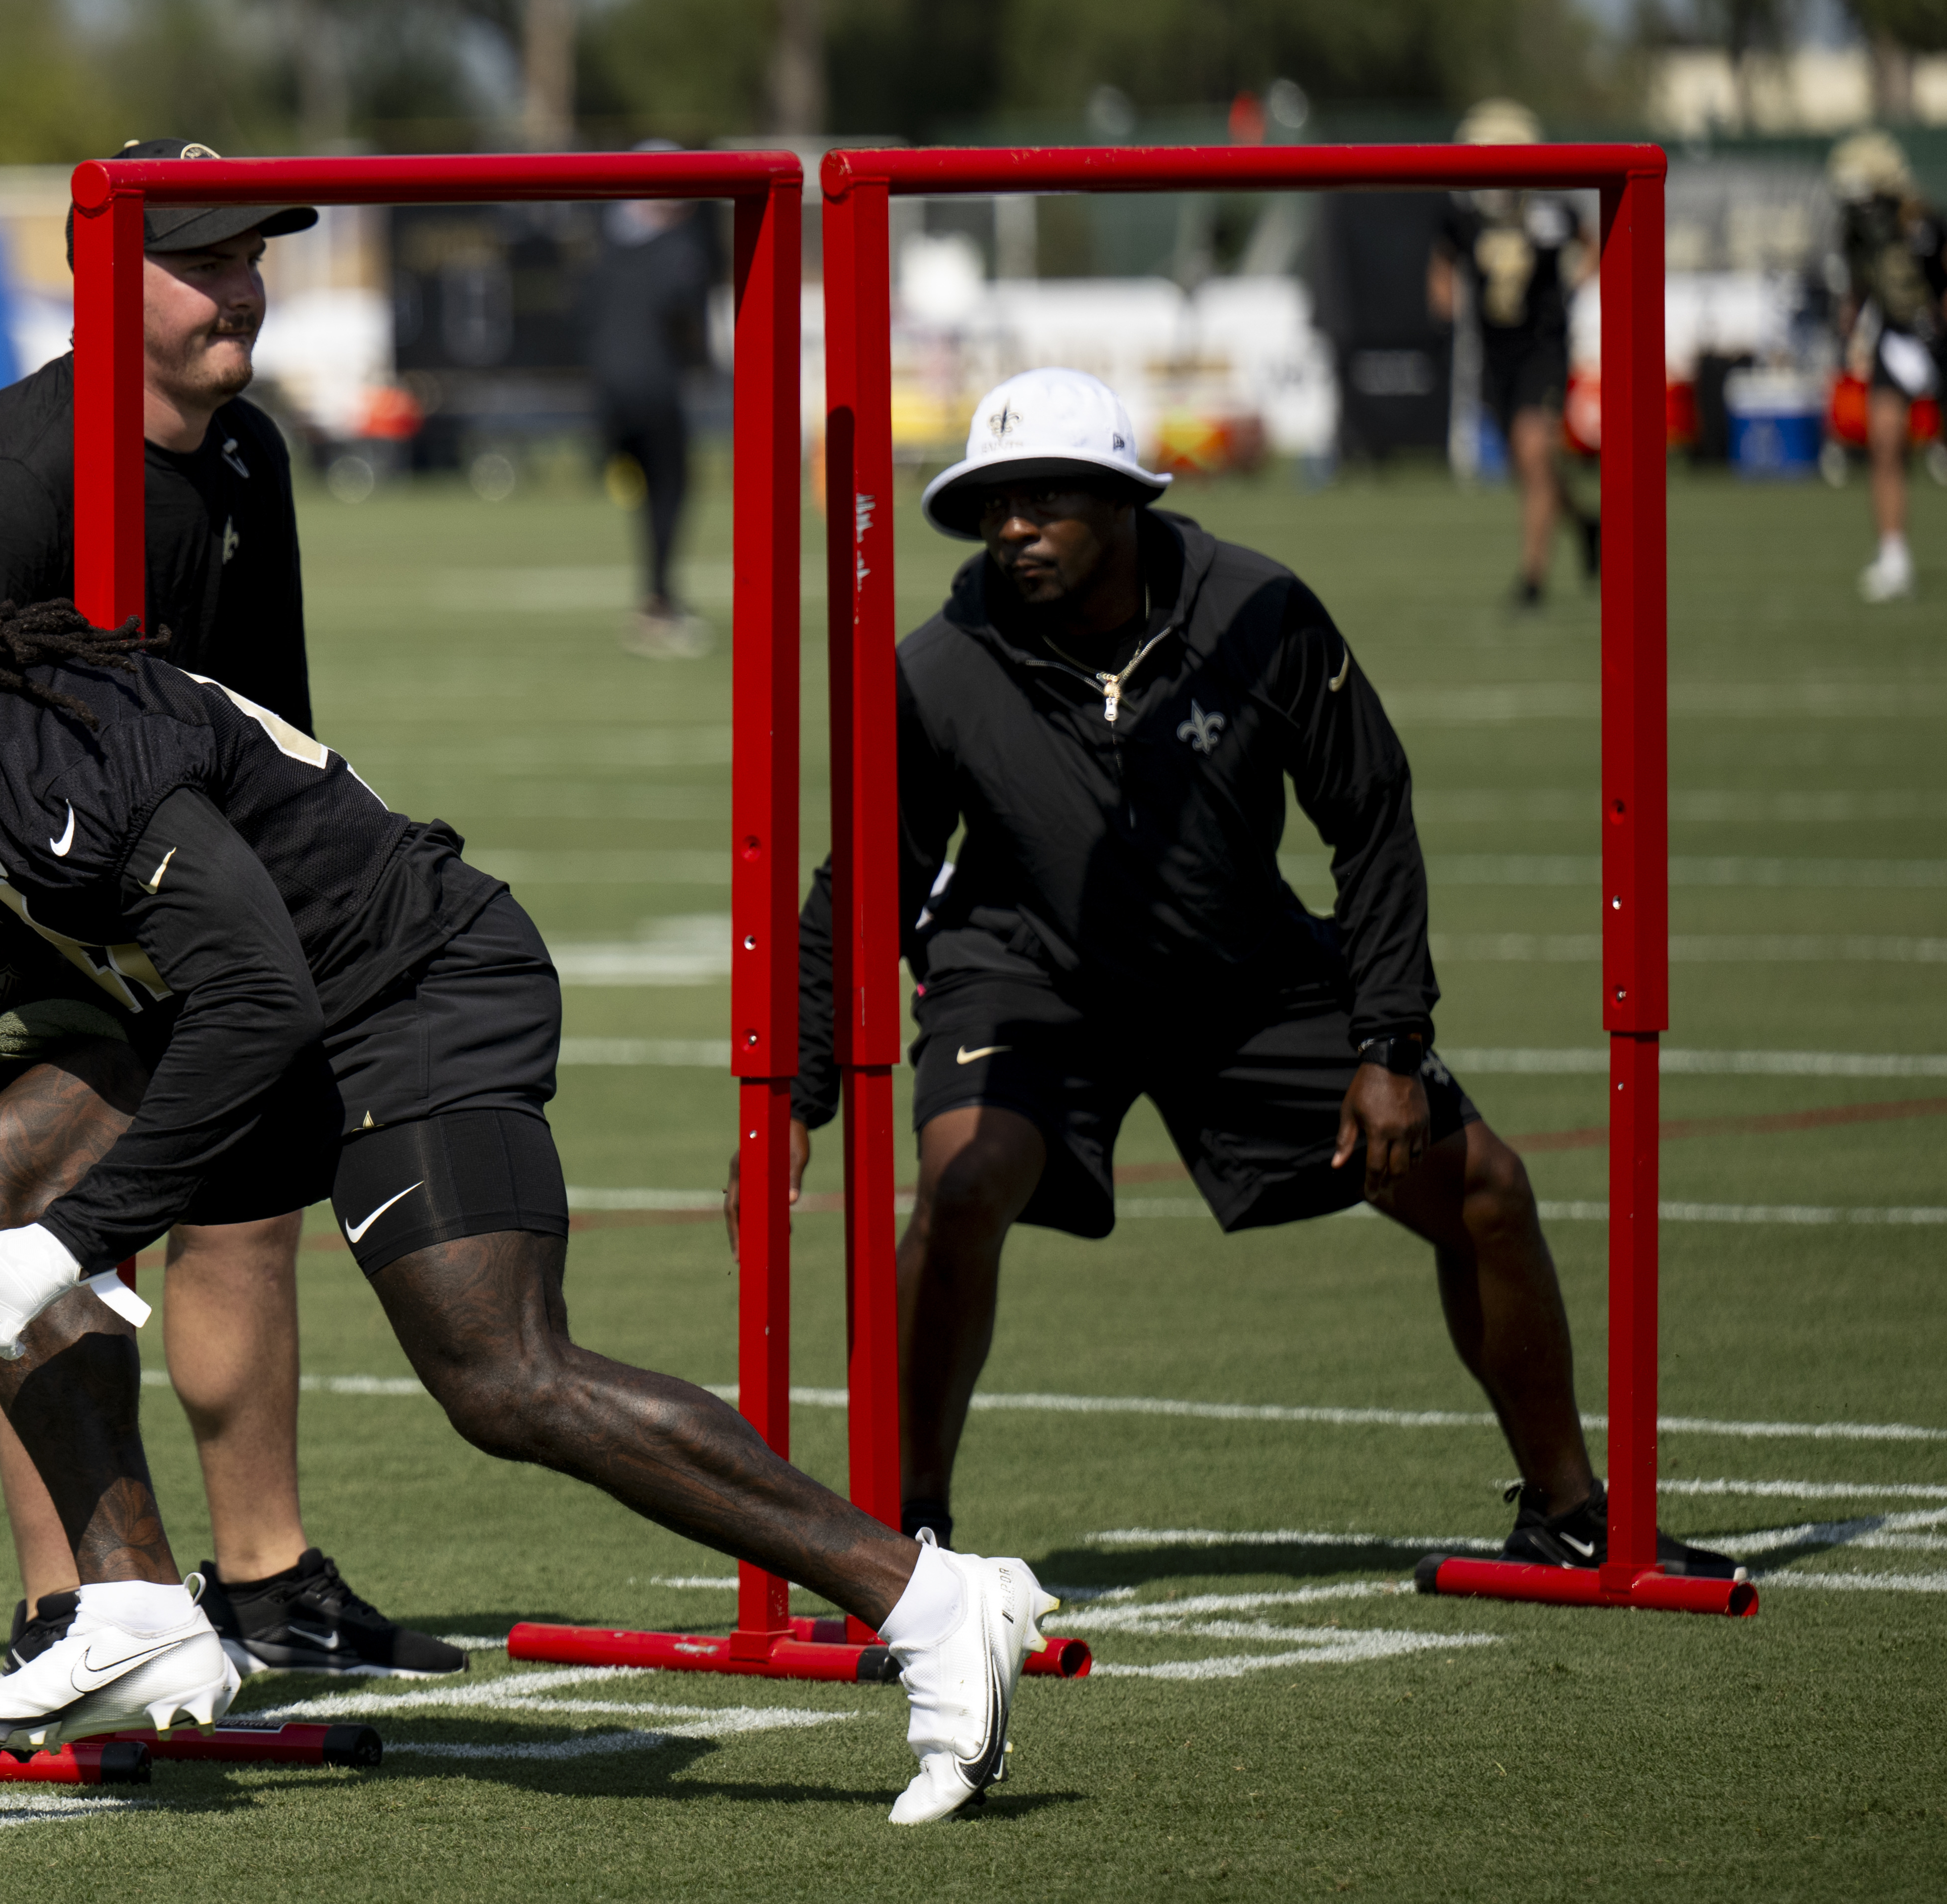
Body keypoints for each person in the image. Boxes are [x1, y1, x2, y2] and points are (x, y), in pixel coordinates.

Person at [0, 451, 1062, 1826]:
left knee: (500, 1375)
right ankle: (133, 1607)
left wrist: (76, 1234)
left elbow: (256, 998)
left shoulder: (48, 749)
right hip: (260, 1013)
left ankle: (931, 1596)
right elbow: (50, 995)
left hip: (409, 989)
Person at [742, 367, 1741, 1585]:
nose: (1012, 526)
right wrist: (791, 1098)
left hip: (1241, 971)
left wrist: (1385, 1044)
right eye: (993, 501)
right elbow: (865, 879)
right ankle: (904, 1541)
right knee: (961, 1181)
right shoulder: (937, 667)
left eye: (1044, 497)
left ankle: (1566, 1510)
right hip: (1024, 973)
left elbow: (1367, 814)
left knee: (1483, 1187)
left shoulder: (1261, 611)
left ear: (1121, 502)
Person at [0, 142, 458, 1684]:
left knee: (247, 1212)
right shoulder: (14, 465)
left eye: (250, 255)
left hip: (207, 893)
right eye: (201, 259)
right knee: (15, 1208)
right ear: (99, 273)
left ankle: (266, 1580)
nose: (241, 289)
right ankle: (68, 1604)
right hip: (35, 906)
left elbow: (276, 713)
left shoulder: (250, 455)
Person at [1427, 99, 1599, 611]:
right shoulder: (1464, 213)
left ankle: (1531, 582)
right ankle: (1586, 525)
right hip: (1494, 351)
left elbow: (1592, 242)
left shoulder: (1548, 209)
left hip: (1542, 345)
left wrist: (1575, 281)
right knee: (1529, 465)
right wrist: (1442, 303)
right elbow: (1442, 259)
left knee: (1531, 449)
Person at [576, 173, 721, 659]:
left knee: (647, 491)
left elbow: (581, 315)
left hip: (609, 393)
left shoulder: (603, 250)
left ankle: (656, 599)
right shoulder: (676, 251)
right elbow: (683, 315)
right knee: (669, 490)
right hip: (653, 389)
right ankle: (658, 603)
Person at [1830, 129, 1944, 603]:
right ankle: (1893, 556)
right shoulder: (1855, 229)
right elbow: (1859, 285)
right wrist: (1852, 320)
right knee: (1884, 445)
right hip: (1895, 339)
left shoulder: (1923, 222)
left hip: (1937, 339)